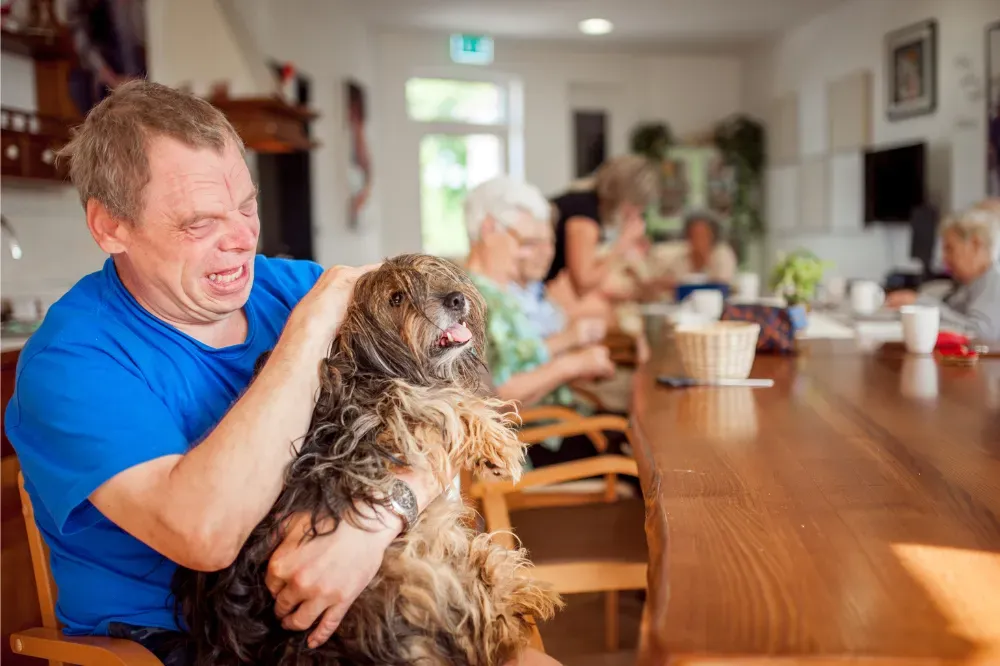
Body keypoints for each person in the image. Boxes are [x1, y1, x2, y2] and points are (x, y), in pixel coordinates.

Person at [4, 81, 557, 666]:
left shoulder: (293, 286)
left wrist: (373, 523)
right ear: (111, 226)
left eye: (247, 207)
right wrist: (307, 335)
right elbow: (206, 535)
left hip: (379, 587)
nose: (243, 241)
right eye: (200, 223)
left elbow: (453, 407)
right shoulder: (72, 362)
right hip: (198, 641)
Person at [463, 176, 639, 475]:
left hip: (551, 427)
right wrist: (571, 364)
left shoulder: (497, 295)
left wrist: (574, 358)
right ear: (489, 229)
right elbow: (498, 398)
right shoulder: (476, 300)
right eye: (526, 242)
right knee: (641, 459)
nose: (529, 254)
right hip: (533, 444)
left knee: (636, 436)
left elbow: (518, 365)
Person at [545, 155, 661, 299]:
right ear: (625, 198)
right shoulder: (584, 215)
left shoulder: (586, 203)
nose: (638, 213)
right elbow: (583, 283)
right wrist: (622, 243)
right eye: (637, 205)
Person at [886, 206, 1000, 340]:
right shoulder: (968, 284)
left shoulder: (995, 282)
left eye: (950, 249)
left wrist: (921, 304)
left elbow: (979, 334)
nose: (944, 258)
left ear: (975, 244)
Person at [664, 210, 738, 284]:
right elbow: (672, 283)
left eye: (703, 235)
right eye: (694, 235)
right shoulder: (680, 257)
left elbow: (723, 281)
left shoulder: (722, 253)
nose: (698, 240)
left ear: (713, 236)